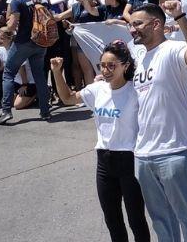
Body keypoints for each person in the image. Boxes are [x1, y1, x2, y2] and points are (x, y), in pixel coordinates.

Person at [49, 45, 151, 242]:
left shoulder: (135, 91)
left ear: (125, 66)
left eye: (111, 66)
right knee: (112, 219)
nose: (105, 70)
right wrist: (56, 72)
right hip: (104, 162)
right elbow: (68, 98)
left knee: (136, 218)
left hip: (129, 161)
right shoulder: (97, 90)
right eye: (102, 65)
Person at [130, 1, 187, 242]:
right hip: (143, 154)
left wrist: (180, 17)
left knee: (186, 216)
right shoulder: (138, 57)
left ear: (156, 24)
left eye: (137, 24)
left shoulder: (173, 50)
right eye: (130, 25)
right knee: (161, 219)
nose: (132, 29)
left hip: (175, 150)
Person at [0, 0, 52, 124]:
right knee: (39, 74)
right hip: (41, 42)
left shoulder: (17, 0)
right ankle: (45, 111)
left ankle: (6, 111)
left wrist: (3, 27)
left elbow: (12, 26)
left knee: (8, 73)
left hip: (23, 42)